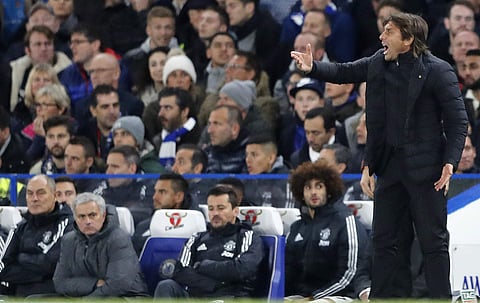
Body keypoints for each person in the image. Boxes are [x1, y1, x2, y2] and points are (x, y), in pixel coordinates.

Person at [291, 12, 468, 298]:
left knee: (432, 242)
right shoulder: (378, 63)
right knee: (384, 242)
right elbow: (344, 72)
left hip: (427, 170)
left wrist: (450, 162)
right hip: (389, 166)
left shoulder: (439, 70)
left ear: (408, 39)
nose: (381, 37)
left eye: (389, 32)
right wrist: (313, 68)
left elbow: (458, 121)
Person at [153, 185, 264, 299]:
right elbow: (180, 270)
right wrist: (215, 285)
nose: (215, 213)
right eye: (211, 209)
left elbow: (242, 270)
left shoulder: (247, 236)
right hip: (198, 295)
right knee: (166, 286)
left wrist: (204, 266)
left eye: (221, 208)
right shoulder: (196, 238)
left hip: (230, 296)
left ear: (235, 211)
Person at [285, 160, 368, 302]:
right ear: (301, 192)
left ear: (328, 190)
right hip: (305, 295)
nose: (313, 192)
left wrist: (314, 297)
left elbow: (350, 274)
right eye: (308, 187)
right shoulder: (297, 227)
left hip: (341, 295)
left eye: (319, 186)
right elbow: (289, 270)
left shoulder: (345, 221)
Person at [53, 192, 149, 297]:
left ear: (103, 216)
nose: (88, 221)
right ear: (75, 218)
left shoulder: (118, 238)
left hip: (126, 297)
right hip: (85, 296)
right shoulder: (68, 240)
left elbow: (118, 285)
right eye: (82, 216)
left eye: (92, 215)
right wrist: (93, 283)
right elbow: (60, 282)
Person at [0, 174, 73, 296]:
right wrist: (41, 274)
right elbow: (4, 270)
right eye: (30, 193)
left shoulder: (67, 224)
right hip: (17, 295)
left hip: (51, 295)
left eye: (41, 193)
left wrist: (20, 258)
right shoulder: (20, 227)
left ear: (55, 196)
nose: (34, 198)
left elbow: (53, 264)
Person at [132, 173, 198, 255]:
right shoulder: (143, 227)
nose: (155, 197)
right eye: (155, 191)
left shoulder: (197, 225)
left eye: (162, 192)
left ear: (179, 197)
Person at [92, 145, 154, 225]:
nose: (108, 172)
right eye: (108, 166)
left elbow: (144, 214)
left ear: (132, 169)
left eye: (115, 166)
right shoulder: (101, 186)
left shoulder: (149, 187)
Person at [203, 104, 249, 173]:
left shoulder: (250, 155)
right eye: (209, 124)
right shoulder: (205, 154)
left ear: (234, 129)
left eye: (216, 124)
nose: (209, 130)